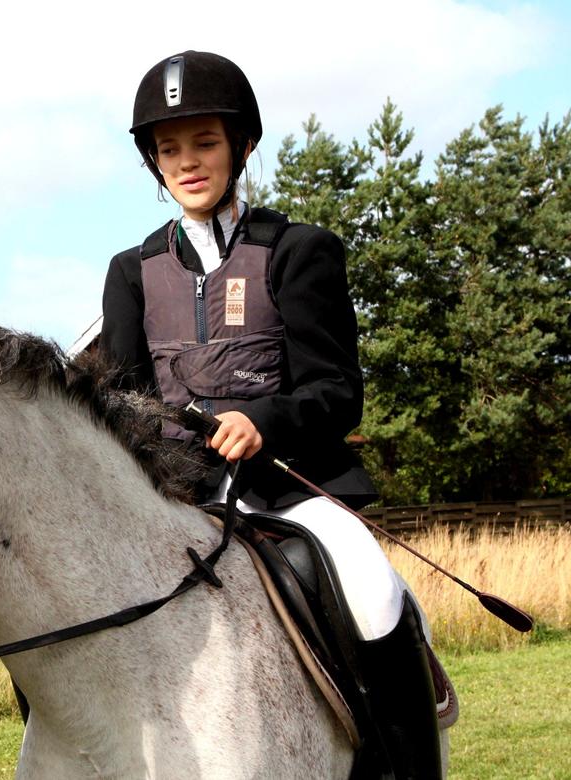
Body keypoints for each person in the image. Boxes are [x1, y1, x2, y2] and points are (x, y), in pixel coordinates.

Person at [99, 51, 442, 777]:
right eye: (169, 150)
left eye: (205, 143)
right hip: (176, 495)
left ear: (242, 146)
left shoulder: (298, 251)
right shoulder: (130, 272)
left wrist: (264, 420)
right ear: (153, 163)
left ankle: (405, 764)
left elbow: (337, 391)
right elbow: (124, 406)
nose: (187, 162)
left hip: (289, 486)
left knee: (374, 591)